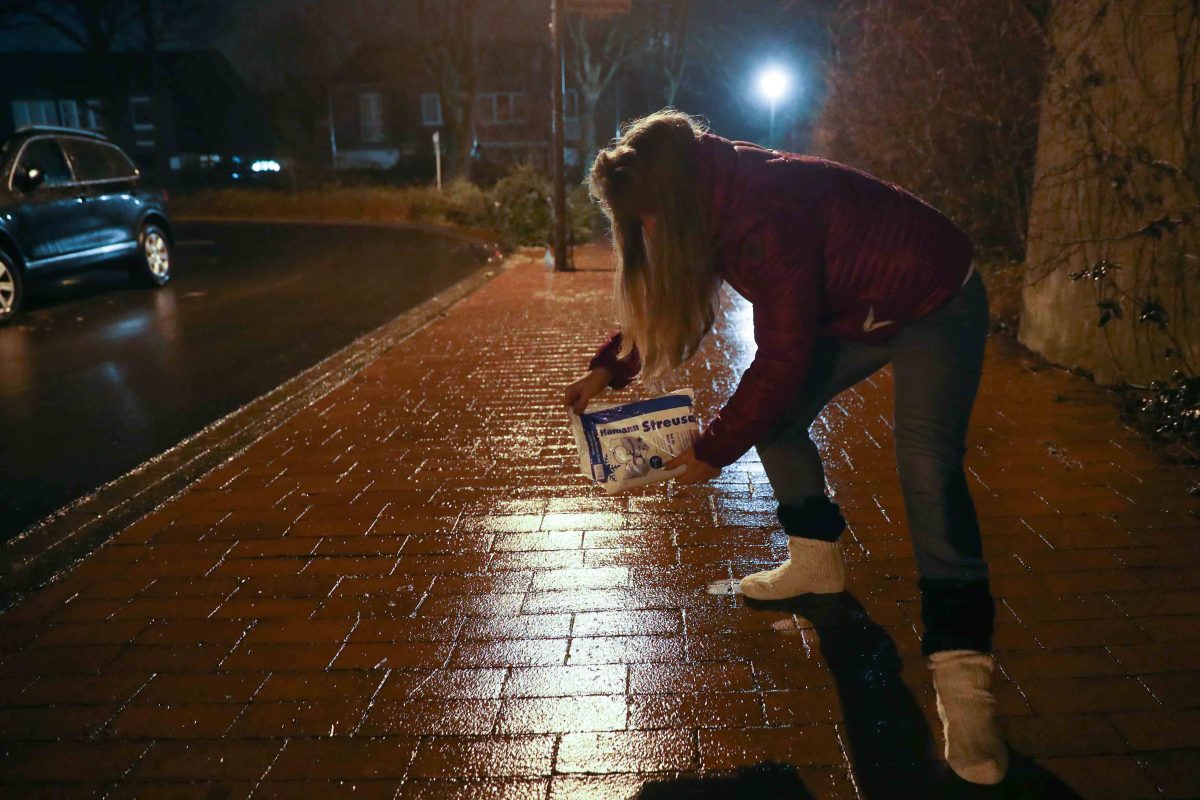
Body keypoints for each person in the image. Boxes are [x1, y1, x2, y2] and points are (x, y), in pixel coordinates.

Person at [562, 110, 1007, 785]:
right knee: (775, 419)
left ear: (670, 197)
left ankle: (963, 677)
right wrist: (606, 368)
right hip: (853, 304)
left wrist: (713, 448)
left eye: (649, 218)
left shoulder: (762, 215)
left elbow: (784, 356)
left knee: (926, 466)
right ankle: (816, 561)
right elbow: (672, 296)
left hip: (934, 295)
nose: (647, 232)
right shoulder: (702, 191)